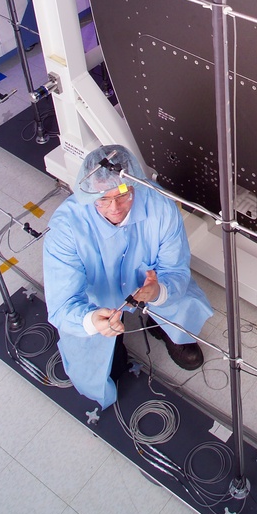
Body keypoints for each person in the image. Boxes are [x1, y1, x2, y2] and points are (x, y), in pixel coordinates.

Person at [43, 144, 214, 408]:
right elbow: (61, 303)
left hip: (150, 283)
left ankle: (167, 329)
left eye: (122, 195)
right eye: (102, 199)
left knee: (176, 298)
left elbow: (176, 269)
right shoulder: (66, 228)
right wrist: (91, 321)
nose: (115, 208)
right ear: (88, 195)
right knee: (104, 366)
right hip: (97, 300)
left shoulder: (160, 205)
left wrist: (159, 292)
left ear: (134, 184)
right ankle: (112, 342)